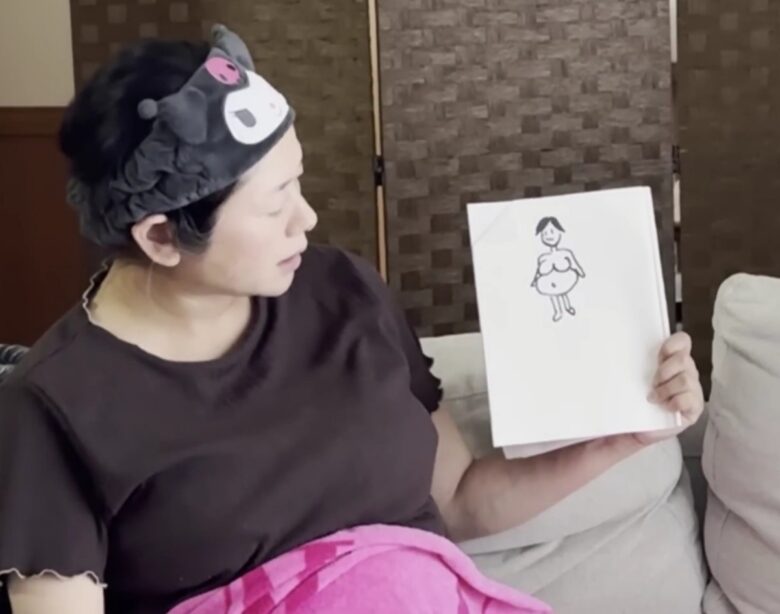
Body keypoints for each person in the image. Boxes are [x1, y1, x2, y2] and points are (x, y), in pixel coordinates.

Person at [0, 26, 705, 614]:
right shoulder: (57, 407)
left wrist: (622, 436)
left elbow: (461, 502)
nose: (306, 219)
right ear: (161, 237)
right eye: (274, 205)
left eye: (298, 182)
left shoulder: (342, 291)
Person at [531, 216, 586, 322]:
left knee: (563, 294)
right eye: (544, 233)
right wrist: (534, 281)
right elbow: (538, 272)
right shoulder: (542, 258)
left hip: (564, 283)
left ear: (559, 232)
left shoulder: (566, 253)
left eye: (552, 231)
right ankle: (558, 312)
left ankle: (568, 306)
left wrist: (581, 272)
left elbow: (574, 264)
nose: (548, 236)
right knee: (553, 296)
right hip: (548, 286)